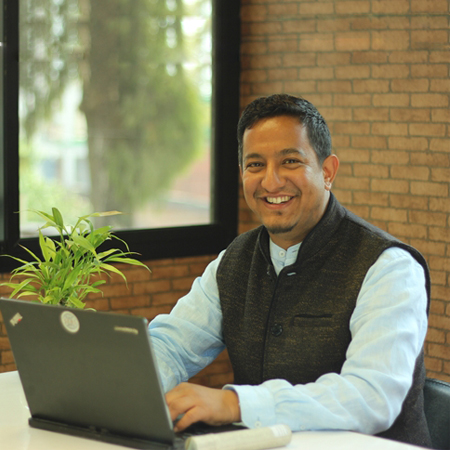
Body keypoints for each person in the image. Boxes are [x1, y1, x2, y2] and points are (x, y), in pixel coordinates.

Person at [148, 94, 431, 447]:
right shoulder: (234, 261)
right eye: (255, 165)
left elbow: (371, 396)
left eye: (290, 161)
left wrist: (235, 403)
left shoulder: (389, 267)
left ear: (327, 172)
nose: (271, 181)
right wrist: (122, 383)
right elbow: (171, 346)